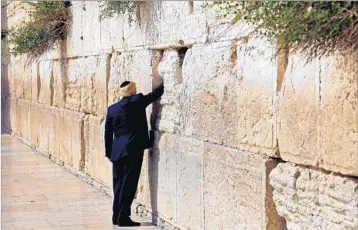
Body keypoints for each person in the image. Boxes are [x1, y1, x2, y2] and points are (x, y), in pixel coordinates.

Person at [104, 72, 164, 227]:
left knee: (118, 185)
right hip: (133, 150)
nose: (136, 92)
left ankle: (116, 216)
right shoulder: (137, 101)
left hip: (117, 152)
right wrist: (163, 80)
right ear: (131, 92)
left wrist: (109, 152)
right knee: (129, 184)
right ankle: (124, 217)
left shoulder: (112, 109)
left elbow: (108, 132)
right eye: (135, 90)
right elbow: (155, 95)